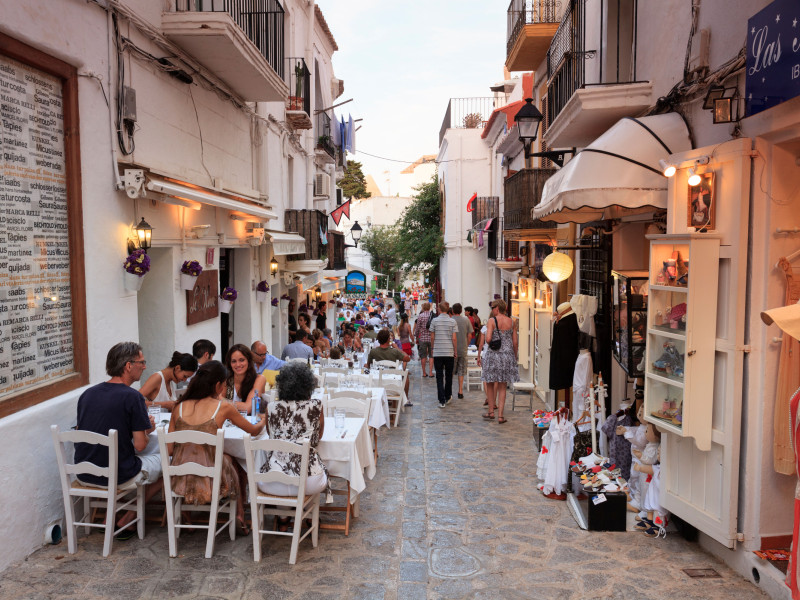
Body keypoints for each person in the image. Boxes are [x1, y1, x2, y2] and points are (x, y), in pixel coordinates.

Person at [74, 342, 163, 537]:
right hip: (117, 476)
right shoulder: (132, 397)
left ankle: (110, 516)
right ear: (128, 366)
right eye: (142, 362)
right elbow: (140, 446)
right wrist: (147, 431)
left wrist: (139, 427)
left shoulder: (87, 394)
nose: (145, 366)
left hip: (84, 473)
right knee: (169, 461)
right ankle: (128, 518)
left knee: (116, 456)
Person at [167, 360, 265, 533]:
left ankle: (186, 516)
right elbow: (253, 431)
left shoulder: (178, 406)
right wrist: (264, 420)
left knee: (219, 456)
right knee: (231, 459)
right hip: (210, 479)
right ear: (219, 385)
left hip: (179, 478)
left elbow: (169, 450)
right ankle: (239, 514)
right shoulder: (224, 407)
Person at [262, 363, 328, 499]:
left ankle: (284, 516)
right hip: (308, 482)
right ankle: (308, 516)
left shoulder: (271, 407)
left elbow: (271, 435)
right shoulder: (316, 406)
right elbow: (317, 438)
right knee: (322, 467)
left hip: (273, 481)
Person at [478, 299, 519, 424]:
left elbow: (488, 338)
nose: (492, 310)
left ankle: (491, 411)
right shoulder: (512, 322)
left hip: (493, 355)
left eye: (493, 308)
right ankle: (500, 416)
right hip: (507, 356)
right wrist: (514, 356)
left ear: (497, 308)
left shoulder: (492, 321)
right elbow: (515, 342)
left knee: (490, 383)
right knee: (502, 386)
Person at [225, 344, 267, 414]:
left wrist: (223, 401)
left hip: (253, 423)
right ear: (230, 364)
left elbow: (248, 408)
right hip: (229, 423)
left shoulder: (259, 379)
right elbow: (217, 405)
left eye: (241, 360)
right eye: (234, 361)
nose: (238, 364)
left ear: (249, 361)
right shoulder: (226, 380)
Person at [430, 301, 457, 409]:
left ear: (439, 309)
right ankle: (447, 396)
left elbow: (432, 337)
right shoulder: (452, 321)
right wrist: (455, 351)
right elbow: (454, 338)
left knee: (439, 376)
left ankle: (441, 400)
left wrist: (432, 348)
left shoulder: (434, 321)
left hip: (438, 351)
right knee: (449, 375)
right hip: (449, 351)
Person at [451, 303, 472, 400]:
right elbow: (470, 335)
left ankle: (449, 390)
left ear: (453, 311)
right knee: (461, 370)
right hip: (463, 348)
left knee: (450, 370)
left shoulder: (451, 321)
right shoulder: (466, 320)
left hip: (452, 349)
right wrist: (466, 345)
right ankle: (460, 391)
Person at [414, 302, 434, 378]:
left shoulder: (421, 316)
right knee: (431, 355)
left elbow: (417, 327)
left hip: (422, 338)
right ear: (429, 307)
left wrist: (416, 337)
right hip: (431, 338)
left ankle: (424, 373)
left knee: (423, 356)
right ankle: (431, 372)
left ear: (423, 307)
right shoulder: (432, 316)